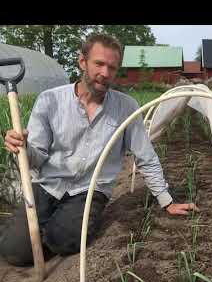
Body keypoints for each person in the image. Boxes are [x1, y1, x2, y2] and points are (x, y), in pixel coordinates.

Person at [0, 33, 198, 266]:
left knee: (64, 240)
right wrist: (23, 148)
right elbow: (37, 158)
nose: (105, 73)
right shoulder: (49, 100)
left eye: (112, 67)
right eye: (99, 64)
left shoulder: (126, 107)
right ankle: (36, 230)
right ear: (83, 62)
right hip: (47, 184)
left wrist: (167, 201)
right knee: (14, 252)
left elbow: (146, 157)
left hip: (90, 189)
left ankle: (55, 230)